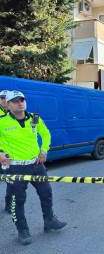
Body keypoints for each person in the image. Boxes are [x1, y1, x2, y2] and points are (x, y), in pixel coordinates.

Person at [0, 91, 66, 245]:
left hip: (36, 165)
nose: (20, 103)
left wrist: (44, 150)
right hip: (15, 167)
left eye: (22, 100)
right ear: (8, 105)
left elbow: (46, 134)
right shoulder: (2, 121)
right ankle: (22, 231)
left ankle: (49, 220)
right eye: (15, 101)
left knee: (46, 193)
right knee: (17, 201)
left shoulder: (34, 118)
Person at [0, 90, 12, 213]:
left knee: (10, 179)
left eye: (6, 98)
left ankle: (9, 204)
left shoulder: (12, 113)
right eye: (1, 97)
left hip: (8, 153)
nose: (4, 100)